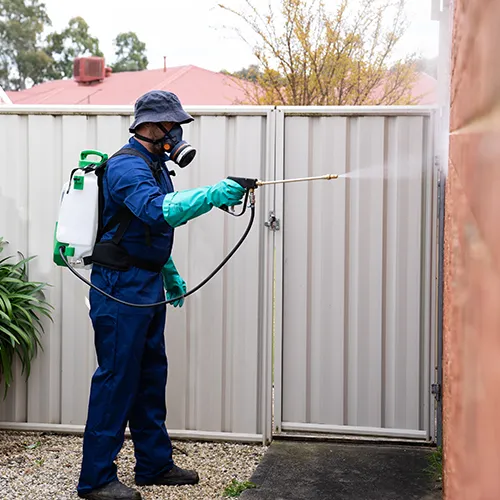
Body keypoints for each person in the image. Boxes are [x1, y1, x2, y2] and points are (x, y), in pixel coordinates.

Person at [77, 90, 246, 500]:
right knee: (116, 379)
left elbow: (143, 229)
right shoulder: (125, 167)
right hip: (119, 288)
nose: (177, 134)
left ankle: (153, 464)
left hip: (145, 282)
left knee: (151, 375)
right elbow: (157, 210)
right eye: (172, 126)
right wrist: (213, 194)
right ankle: (96, 479)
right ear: (150, 126)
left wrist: (167, 272)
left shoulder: (155, 165)